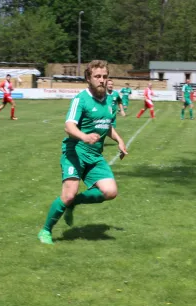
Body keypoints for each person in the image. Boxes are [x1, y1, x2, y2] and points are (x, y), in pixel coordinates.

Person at [37, 60, 128, 245]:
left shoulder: (110, 101)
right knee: (68, 194)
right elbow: (69, 126)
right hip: (75, 152)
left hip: (95, 156)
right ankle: (45, 230)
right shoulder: (81, 99)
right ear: (88, 78)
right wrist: (84, 137)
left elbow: (106, 125)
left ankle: (75, 203)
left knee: (110, 192)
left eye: (104, 77)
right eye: (97, 77)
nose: (101, 80)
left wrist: (119, 140)